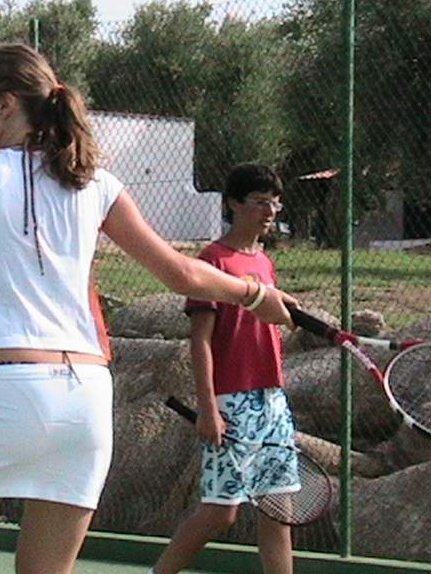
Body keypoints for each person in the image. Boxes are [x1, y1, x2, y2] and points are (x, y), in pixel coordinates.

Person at [0, 43, 297, 574]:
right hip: (84, 401)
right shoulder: (97, 183)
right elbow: (181, 272)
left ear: (6, 104)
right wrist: (257, 295)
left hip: (3, 392)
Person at [150, 163, 297, 574]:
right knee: (220, 513)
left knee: (278, 510)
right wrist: (209, 408)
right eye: (260, 202)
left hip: (272, 400)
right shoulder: (213, 260)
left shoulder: (264, 262)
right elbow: (200, 340)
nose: (270, 211)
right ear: (233, 203)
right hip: (231, 402)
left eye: (275, 203)